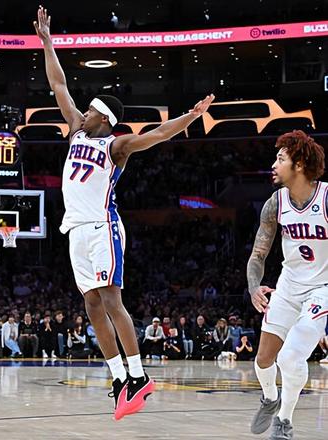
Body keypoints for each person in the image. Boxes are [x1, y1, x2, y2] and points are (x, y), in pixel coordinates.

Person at [34, 5, 214, 420]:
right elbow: (58, 84)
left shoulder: (116, 146)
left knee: (111, 299)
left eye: (90, 110)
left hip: (103, 228)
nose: (83, 113)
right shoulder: (77, 131)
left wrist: (190, 116)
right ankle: (118, 378)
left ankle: (138, 374)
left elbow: (158, 134)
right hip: (76, 231)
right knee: (91, 305)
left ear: (104, 117)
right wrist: (47, 41)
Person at [246, 130, 326, 438]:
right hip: (289, 286)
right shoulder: (275, 203)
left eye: (280, 159)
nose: (274, 165)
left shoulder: (326, 198)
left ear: (300, 164)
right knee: (263, 359)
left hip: (322, 289)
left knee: (290, 357)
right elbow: (258, 254)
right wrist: (254, 286)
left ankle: (284, 421)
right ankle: (270, 398)